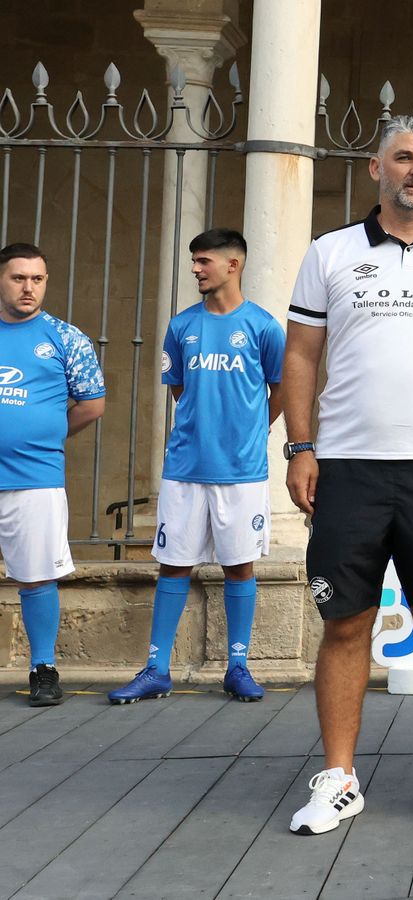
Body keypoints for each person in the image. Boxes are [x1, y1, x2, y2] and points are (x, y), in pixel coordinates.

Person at [282, 115, 413, 835]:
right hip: (349, 465)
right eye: (404, 158)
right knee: (345, 623)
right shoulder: (332, 252)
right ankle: (338, 777)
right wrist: (300, 446)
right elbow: (301, 354)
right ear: (376, 168)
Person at [108, 229, 283, 705]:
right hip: (184, 468)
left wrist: (251, 429)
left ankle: (238, 666)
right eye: (194, 261)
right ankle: (156, 668)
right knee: (172, 565)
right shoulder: (181, 325)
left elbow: (280, 387)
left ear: (233, 265)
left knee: (239, 566)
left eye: (203, 261)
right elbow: (179, 389)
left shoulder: (265, 327)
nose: (195, 269)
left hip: (242, 471)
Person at [0, 242, 106, 707]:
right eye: (18, 277)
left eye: (37, 279)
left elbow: (92, 404)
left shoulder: (67, 337)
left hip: (35, 477)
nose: (28, 287)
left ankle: (43, 668)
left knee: (37, 577)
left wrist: (45, 434)